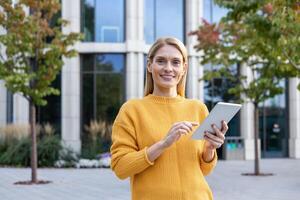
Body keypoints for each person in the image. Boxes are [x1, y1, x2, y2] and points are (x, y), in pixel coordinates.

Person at [110, 37, 228, 200]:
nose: (168, 68)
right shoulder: (132, 110)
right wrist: (163, 144)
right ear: (149, 65)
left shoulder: (198, 108)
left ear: (184, 68)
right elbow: (121, 168)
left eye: (175, 62)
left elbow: (205, 169)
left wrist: (209, 148)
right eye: (161, 61)